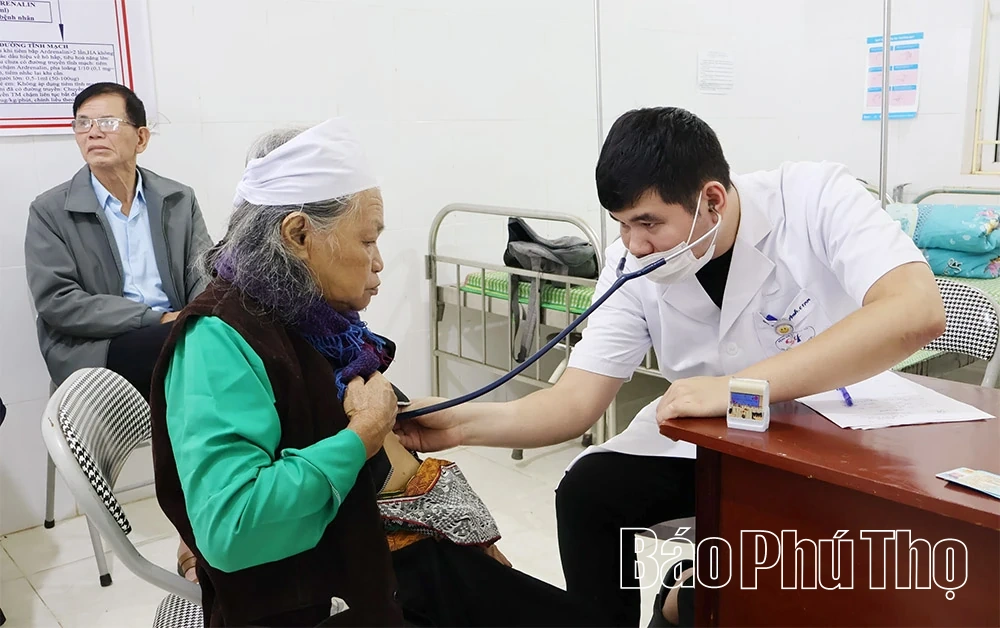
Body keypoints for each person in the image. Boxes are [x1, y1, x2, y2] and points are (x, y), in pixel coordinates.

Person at [394, 106, 947, 627]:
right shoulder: (631, 264)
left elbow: (916, 310)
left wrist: (738, 389)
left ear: (712, 200)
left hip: (829, 436)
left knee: (757, 582)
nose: (635, 245)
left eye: (648, 223)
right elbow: (574, 401)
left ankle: (685, 593)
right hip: (712, 444)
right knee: (589, 491)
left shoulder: (813, 198)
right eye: (621, 224)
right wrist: (457, 422)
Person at [148, 119, 614, 627]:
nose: (379, 262)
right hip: (316, 602)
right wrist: (362, 436)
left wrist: (466, 533)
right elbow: (233, 529)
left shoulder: (310, 321)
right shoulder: (218, 341)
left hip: (385, 560)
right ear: (298, 235)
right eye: (368, 240)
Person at [23, 82, 212, 582]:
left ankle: (218, 526)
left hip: (178, 338)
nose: (93, 133)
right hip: (96, 347)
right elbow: (58, 302)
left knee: (216, 354)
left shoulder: (178, 198)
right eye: (82, 124)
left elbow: (205, 277)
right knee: (202, 364)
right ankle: (200, 536)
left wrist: (195, 316)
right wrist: (155, 319)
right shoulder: (50, 209)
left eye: (107, 122)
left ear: (141, 137)